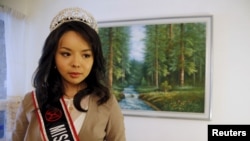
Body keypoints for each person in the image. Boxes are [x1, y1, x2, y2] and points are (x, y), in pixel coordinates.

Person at [11, 7, 126, 141]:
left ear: (94, 59)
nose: (76, 63)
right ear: (53, 56)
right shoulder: (31, 101)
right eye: (66, 54)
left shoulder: (106, 102)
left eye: (86, 55)